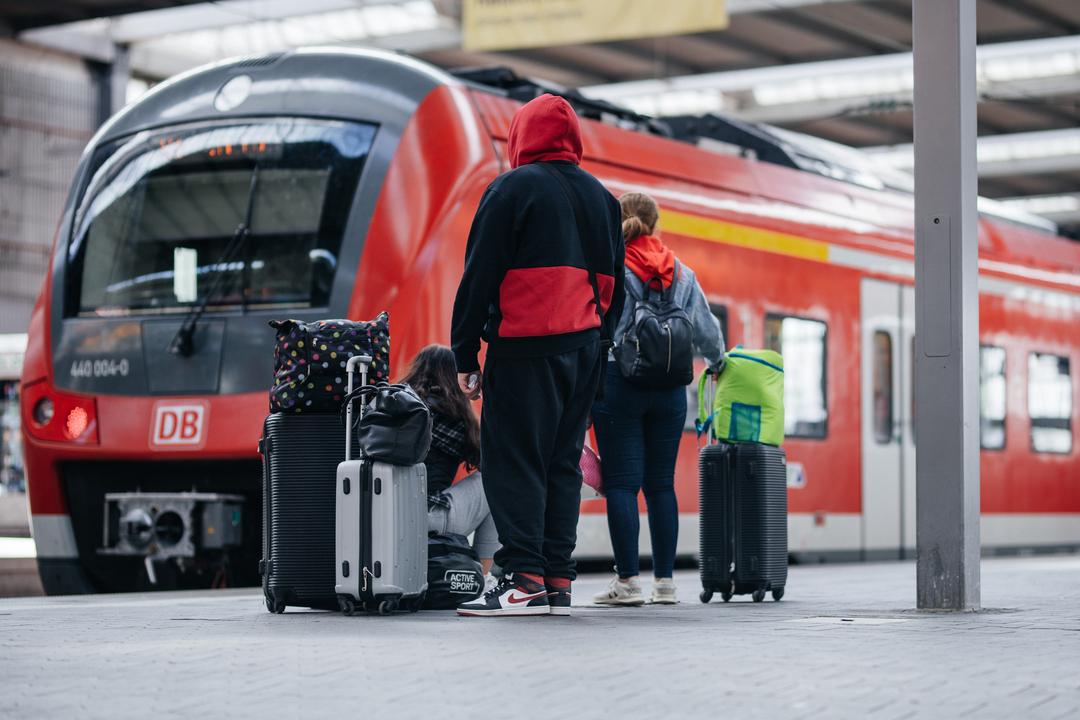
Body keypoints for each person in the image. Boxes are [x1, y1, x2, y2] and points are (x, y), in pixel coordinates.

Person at [451, 93, 625, 617]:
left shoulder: (510, 189)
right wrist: (601, 347)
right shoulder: (604, 200)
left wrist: (465, 352)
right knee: (560, 463)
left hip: (525, 348)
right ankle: (555, 578)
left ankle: (520, 578)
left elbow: (478, 276)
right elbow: (616, 287)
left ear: (522, 137)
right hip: (586, 352)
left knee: (514, 460)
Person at [591, 192, 724, 606]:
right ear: (656, 223)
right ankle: (664, 583)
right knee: (661, 486)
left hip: (621, 382)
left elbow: (599, 323)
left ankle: (627, 582)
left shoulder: (614, 266)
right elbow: (707, 331)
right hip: (670, 390)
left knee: (622, 484)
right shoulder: (682, 273)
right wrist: (718, 362)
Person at [400, 345, 498, 575]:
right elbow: (489, 461)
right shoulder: (450, 414)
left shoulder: (397, 408)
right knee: (497, 481)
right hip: (429, 517)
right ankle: (484, 577)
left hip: (388, 514)